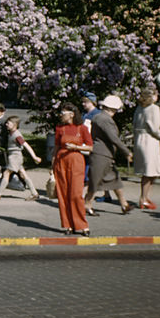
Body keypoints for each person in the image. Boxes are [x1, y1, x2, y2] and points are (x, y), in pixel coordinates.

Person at [85, 94, 132, 216]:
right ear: (113, 109)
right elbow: (114, 138)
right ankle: (87, 204)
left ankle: (124, 204)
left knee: (115, 180)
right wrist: (126, 152)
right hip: (102, 154)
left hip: (104, 154)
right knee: (95, 182)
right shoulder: (105, 120)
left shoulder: (98, 117)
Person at [52, 102, 92, 235]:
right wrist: (52, 165)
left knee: (75, 194)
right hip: (61, 161)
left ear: (71, 114)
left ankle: (82, 224)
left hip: (76, 161)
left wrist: (76, 147)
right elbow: (56, 147)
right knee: (63, 194)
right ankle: (68, 224)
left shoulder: (82, 128)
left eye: (63, 113)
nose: (60, 115)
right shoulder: (59, 128)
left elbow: (90, 147)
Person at [0, 116, 41, 200]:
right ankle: (34, 193)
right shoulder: (11, 133)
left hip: (15, 157)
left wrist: (34, 156)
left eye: (8, 123)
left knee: (6, 173)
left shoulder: (17, 135)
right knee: (23, 175)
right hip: (14, 156)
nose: (6, 124)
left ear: (15, 124)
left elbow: (26, 145)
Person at [132, 87, 160, 211]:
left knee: (149, 170)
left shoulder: (139, 108)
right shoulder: (154, 108)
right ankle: (143, 198)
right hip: (150, 140)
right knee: (150, 171)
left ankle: (144, 197)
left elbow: (134, 124)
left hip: (139, 139)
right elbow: (154, 127)